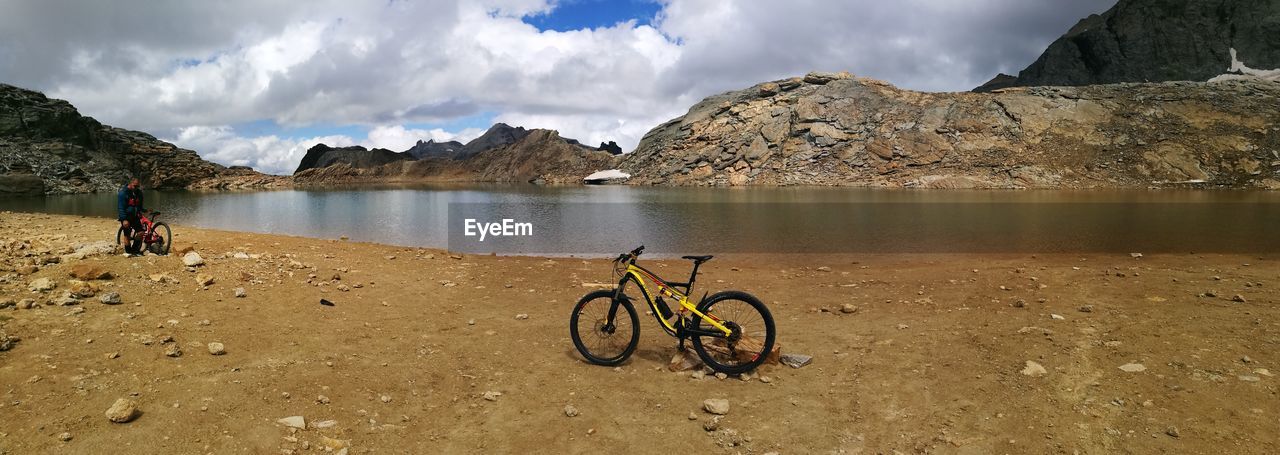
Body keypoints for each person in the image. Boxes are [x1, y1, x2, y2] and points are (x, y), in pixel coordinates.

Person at [117, 177, 146, 256]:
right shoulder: (123, 193)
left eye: (138, 186)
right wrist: (124, 219)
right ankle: (128, 252)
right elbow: (121, 207)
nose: (136, 188)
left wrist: (144, 210)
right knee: (127, 235)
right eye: (135, 186)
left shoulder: (139, 193)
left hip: (135, 216)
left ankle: (135, 251)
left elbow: (139, 205)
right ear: (130, 184)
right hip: (126, 217)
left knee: (141, 232)